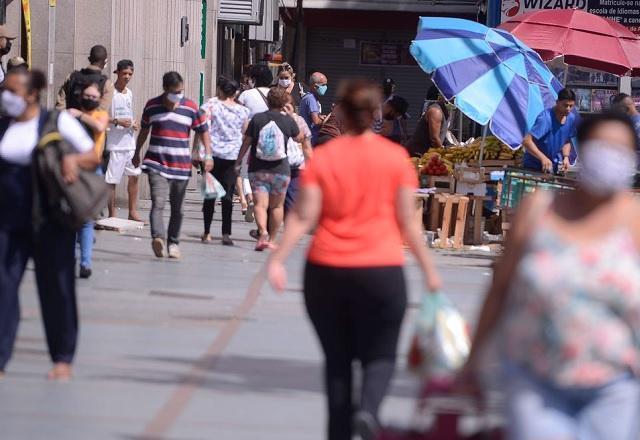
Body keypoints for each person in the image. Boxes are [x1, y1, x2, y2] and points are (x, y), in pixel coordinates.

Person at [267, 79, 442, 440]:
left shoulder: (326, 156)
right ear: (375, 115)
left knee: (338, 363)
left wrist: (277, 259)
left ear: (342, 112)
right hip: (381, 271)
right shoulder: (395, 158)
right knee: (380, 356)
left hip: (326, 272)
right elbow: (409, 223)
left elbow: (303, 216)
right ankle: (369, 411)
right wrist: (430, 274)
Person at [460, 112, 640, 440]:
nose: (611, 157)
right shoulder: (539, 210)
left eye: (621, 150)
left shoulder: (634, 221)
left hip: (615, 387)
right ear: (582, 149)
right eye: (603, 147)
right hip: (534, 381)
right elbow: (500, 287)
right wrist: (473, 361)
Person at [0, 69, 98, 380]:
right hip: (8, 220)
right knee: (2, 287)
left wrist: (72, 161)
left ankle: (62, 358)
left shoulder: (56, 122)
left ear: (31, 94)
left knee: (56, 288)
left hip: (50, 219)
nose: (5, 96)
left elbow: (91, 157)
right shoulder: (4, 125)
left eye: (11, 91)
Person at [133, 71, 212, 259]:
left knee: (178, 208)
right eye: (175, 91)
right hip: (156, 163)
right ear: (165, 89)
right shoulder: (152, 106)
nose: (178, 95)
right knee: (158, 203)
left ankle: (173, 243)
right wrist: (136, 152)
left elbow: (203, 131)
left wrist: (207, 155)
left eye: (181, 91)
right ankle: (158, 238)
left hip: (180, 166)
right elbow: (144, 131)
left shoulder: (191, 107)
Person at [235, 88, 301, 251]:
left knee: (260, 204)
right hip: (281, 170)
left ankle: (262, 232)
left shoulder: (257, 119)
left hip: (258, 169)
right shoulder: (287, 121)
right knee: (277, 206)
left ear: (267, 101)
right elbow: (298, 137)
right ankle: (271, 239)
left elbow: (247, 142)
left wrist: (238, 161)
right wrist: (291, 116)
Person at [200, 76, 250, 245]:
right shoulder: (243, 111)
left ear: (220, 90)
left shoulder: (210, 106)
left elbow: (202, 128)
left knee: (210, 196)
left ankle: (207, 232)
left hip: (212, 156)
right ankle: (226, 234)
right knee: (227, 197)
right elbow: (245, 133)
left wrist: (200, 152)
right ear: (236, 93)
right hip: (232, 158)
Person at [67, 83, 109, 279]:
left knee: (86, 220)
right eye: (87, 96)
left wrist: (79, 115)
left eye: (93, 97)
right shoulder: (68, 116)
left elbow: (100, 127)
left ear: (99, 99)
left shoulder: (100, 115)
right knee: (72, 218)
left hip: (93, 171)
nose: (90, 99)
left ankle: (85, 263)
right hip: (71, 170)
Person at [105, 59, 142, 221]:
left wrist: (134, 123)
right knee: (112, 179)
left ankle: (132, 211)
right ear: (117, 73)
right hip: (114, 143)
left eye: (130, 74)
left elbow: (129, 112)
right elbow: (100, 115)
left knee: (134, 175)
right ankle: (112, 213)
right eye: (125, 73)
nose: (127, 77)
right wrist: (116, 121)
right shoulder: (109, 92)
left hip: (129, 141)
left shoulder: (130, 93)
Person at [522, 88, 578, 173]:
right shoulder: (545, 118)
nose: (568, 109)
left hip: (551, 168)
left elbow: (567, 140)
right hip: (532, 167)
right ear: (557, 102)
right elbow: (526, 141)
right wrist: (542, 158)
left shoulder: (571, 118)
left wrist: (566, 157)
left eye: (571, 106)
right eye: (565, 105)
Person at [56, 44, 114, 112]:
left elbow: (60, 105)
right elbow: (101, 111)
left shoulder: (71, 77)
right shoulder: (107, 84)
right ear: (105, 62)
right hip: (91, 122)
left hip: (70, 120)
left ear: (89, 59)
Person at [283, 93, 313, 217]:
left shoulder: (298, 120)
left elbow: (306, 146)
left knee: (285, 199)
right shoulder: (298, 120)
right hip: (286, 164)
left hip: (288, 165)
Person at [406, 87, 448, 156]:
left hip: (427, 153)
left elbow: (442, 132)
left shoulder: (446, 112)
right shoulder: (436, 111)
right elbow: (434, 138)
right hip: (417, 154)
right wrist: (444, 153)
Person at [299, 72, 328, 145]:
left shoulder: (310, 98)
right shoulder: (311, 99)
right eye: (323, 85)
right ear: (315, 86)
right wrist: (326, 119)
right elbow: (316, 121)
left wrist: (320, 116)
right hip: (310, 140)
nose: (325, 87)